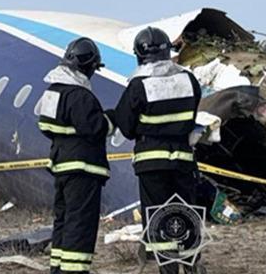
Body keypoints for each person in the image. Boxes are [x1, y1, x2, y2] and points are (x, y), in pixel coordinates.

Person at [108, 27, 202, 274]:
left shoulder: (138, 86)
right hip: (183, 160)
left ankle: (168, 269)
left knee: (159, 217)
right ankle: (192, 265)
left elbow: (126, 127)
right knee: (185, 212)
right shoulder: (189, 81)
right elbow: (192, 116)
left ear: (139, 54)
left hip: (152, 163)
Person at [36, 38, 112, 274]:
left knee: (64, 221)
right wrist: (112, 118)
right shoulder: (80, 96)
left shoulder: (52, 93)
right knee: (81, 225)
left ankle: (58, 269)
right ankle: (75, 271)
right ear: (88, 67)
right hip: (83, 170)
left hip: (61, 166)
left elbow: (46, 126)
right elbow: (96, 128)